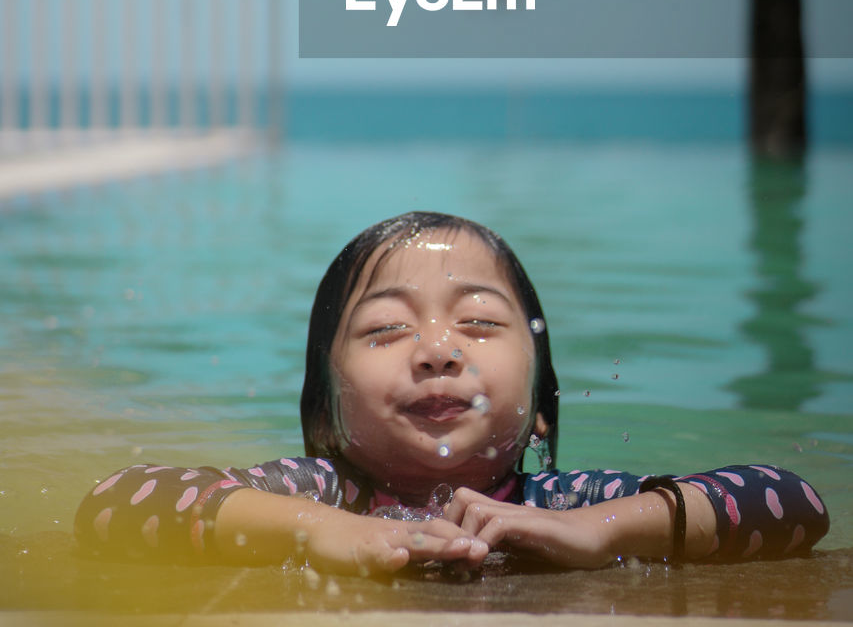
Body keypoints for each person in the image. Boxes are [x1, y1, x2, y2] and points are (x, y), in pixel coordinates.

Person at [75, 211, 830, 571]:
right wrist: (312, 529)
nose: (437, 351)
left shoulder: (560, 504)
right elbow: (116, 500)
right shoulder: (321, 492)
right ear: (325, 409)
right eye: (383, 331)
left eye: (477, 322)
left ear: (539, 409)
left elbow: (792, 504)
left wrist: (605, 529)